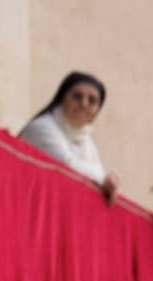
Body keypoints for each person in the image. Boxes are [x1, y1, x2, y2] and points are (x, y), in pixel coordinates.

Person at [18, 71, 120, 204]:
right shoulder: (41, 127)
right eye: (77, 96)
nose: (84, 104)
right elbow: (67, 165)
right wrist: (105, 179)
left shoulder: (88, 143)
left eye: (92, 100)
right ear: (62, 99)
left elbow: (97, 177)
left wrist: (108, 182)